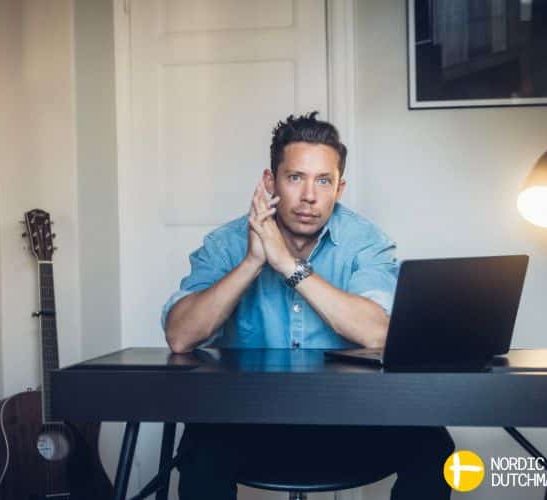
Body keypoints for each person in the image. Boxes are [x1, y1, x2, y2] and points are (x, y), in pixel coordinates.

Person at [161, 112, 454, 500]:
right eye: (295, 177)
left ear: (340, 187)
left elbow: (378, 332)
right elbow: (181, 337)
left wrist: (287, 266)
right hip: (247, 419)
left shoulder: (366, 241)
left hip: (349, 420)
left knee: (435, 450)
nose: (310, 196)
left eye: (324, 181)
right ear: (270, 181)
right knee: (199, 456)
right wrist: (252, 263)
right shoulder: (226, 242)